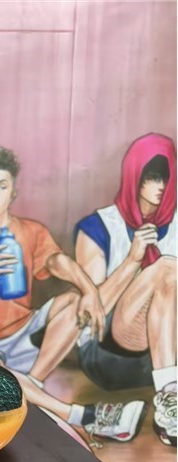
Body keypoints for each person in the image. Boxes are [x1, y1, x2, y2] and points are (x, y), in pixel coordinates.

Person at [0, 146, 144, 444]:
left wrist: (89, 290)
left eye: (1, 186)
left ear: (13, 192)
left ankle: (32, 388)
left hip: (22, 334)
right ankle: (83, 416)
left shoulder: (31, 231)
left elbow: (58, 263)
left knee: (74, 301)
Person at [74, 133, 176, 446]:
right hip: (108, 353)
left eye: (166, 177)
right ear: (134, 176)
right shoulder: (98, 227)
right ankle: (170, 398)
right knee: (167, 267)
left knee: (170, 276)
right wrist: (132, 261)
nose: (161, 186)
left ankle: (170, 397)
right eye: (152, 177)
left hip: (160, 356)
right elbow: (91, 312)